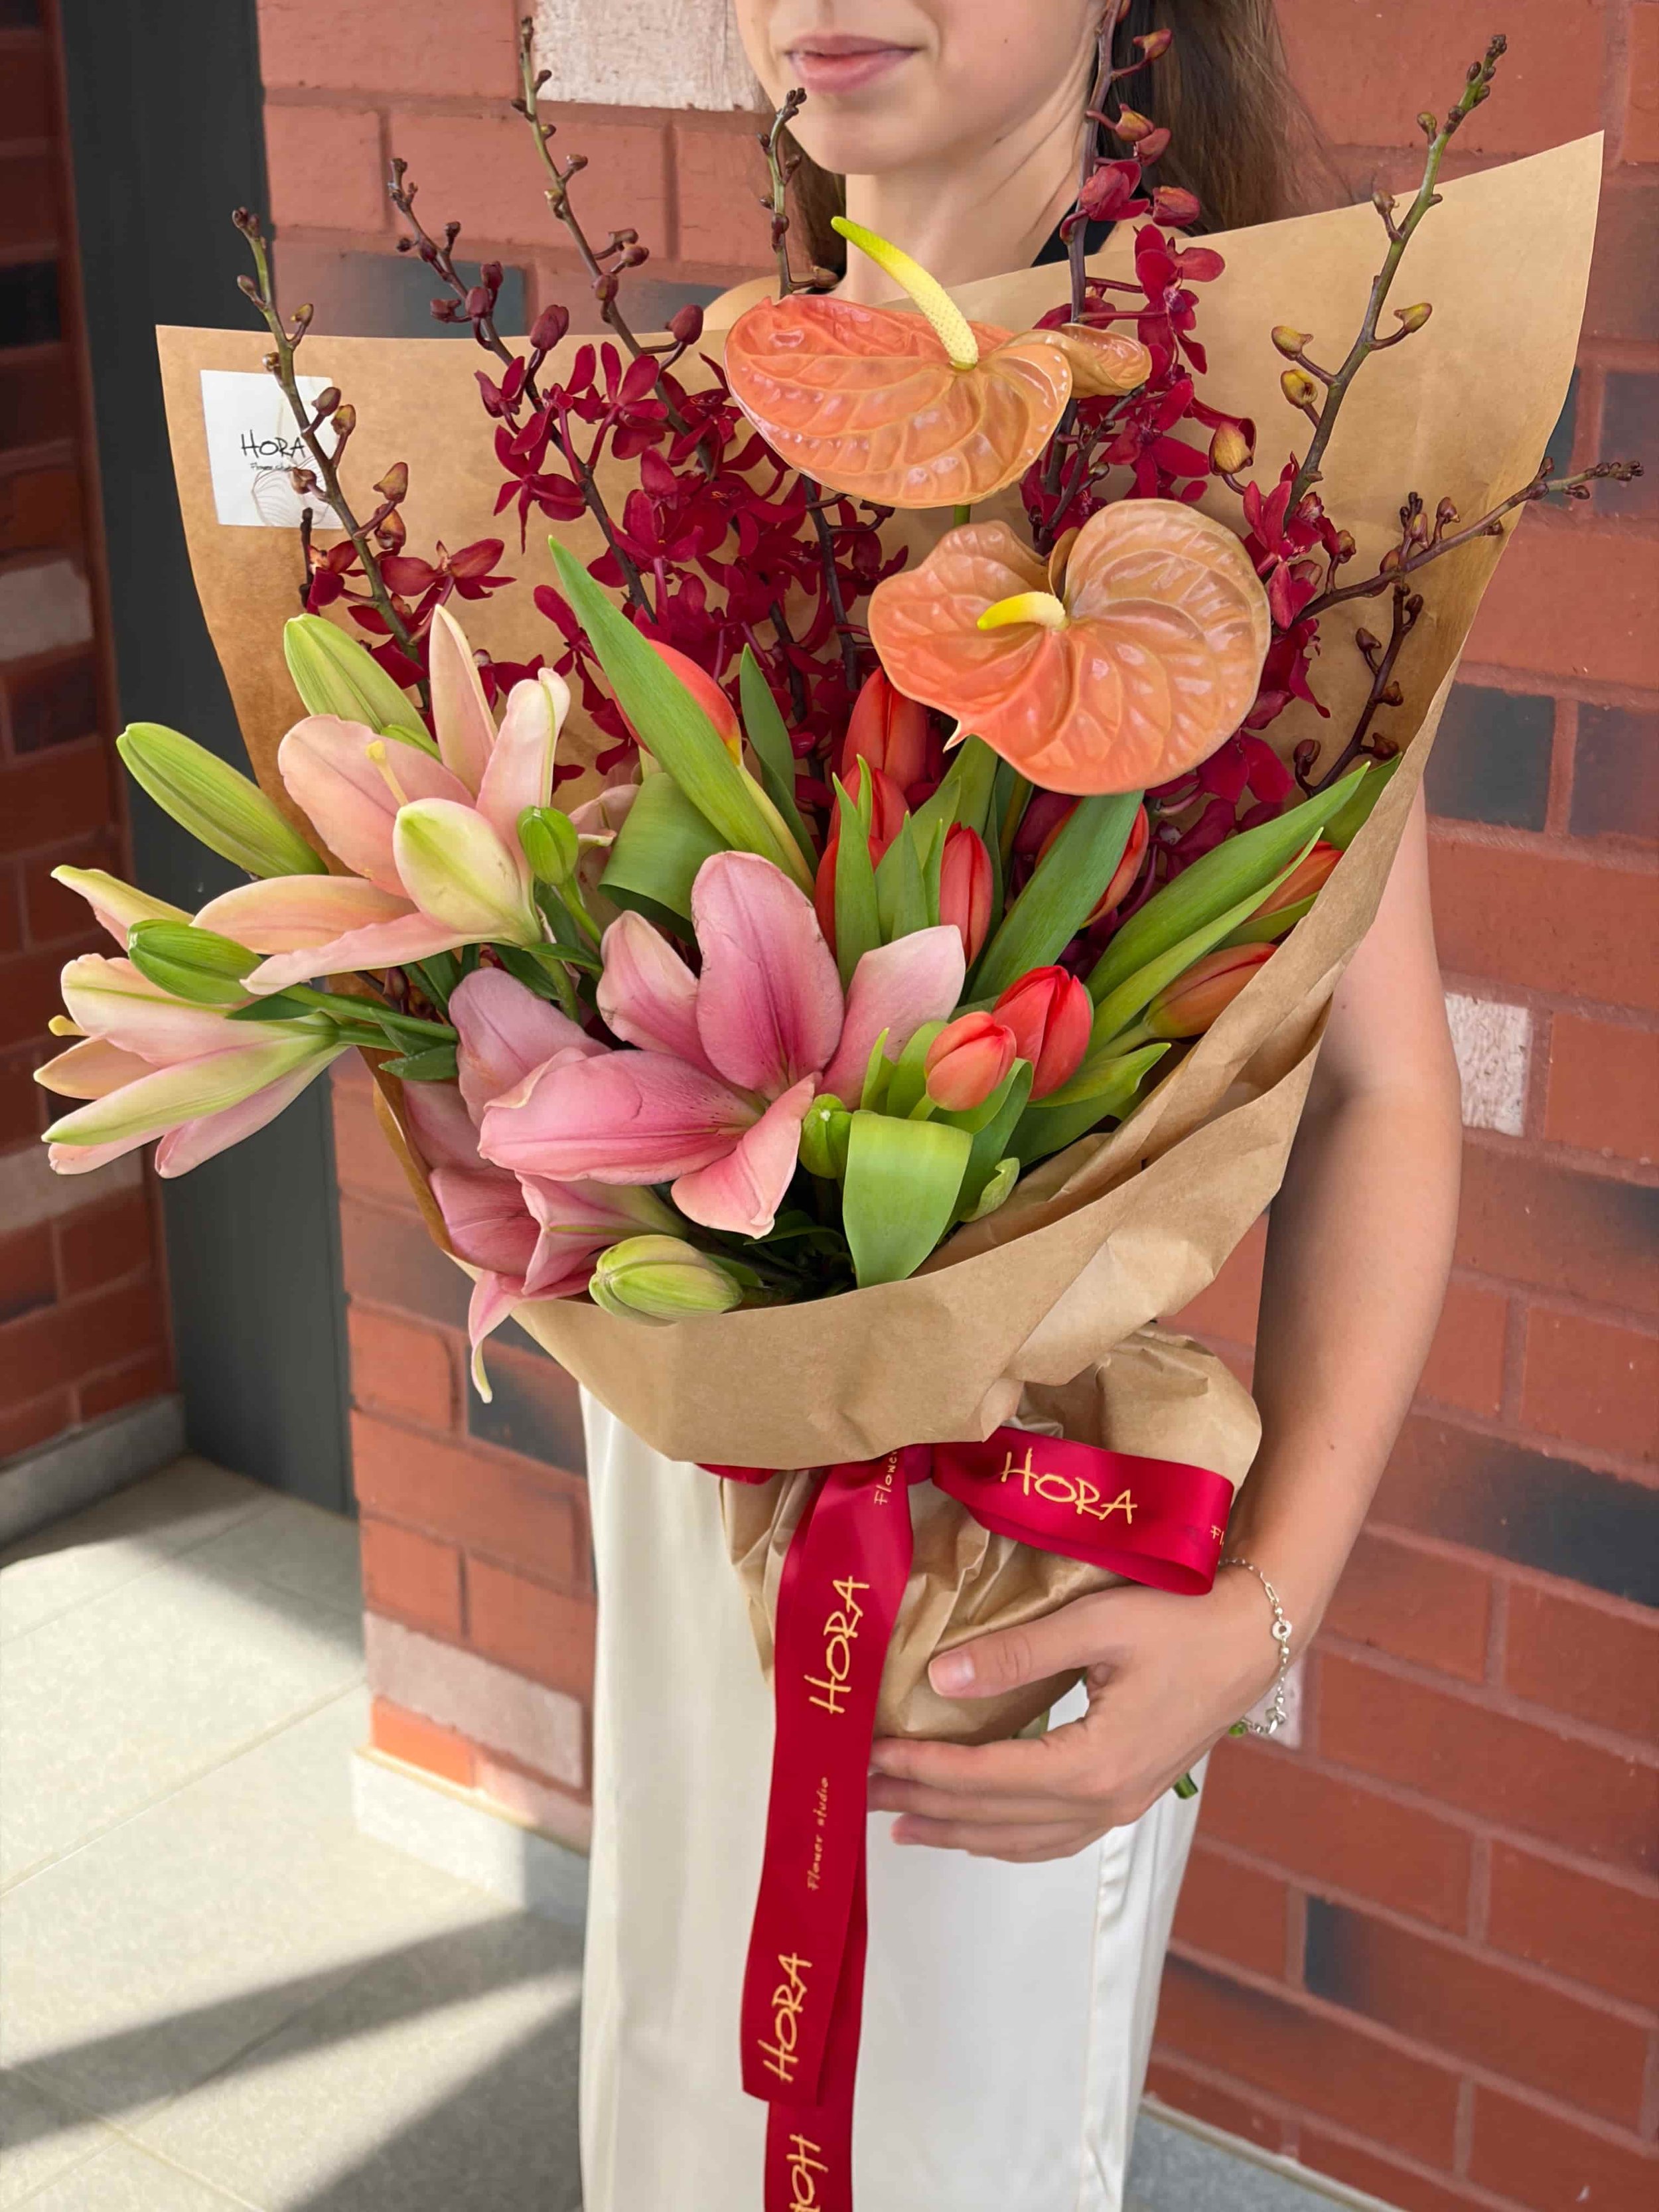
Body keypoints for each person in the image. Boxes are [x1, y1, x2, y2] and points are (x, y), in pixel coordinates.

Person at [577, 5, 1464, 2206]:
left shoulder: (1239, 473)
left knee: (950, 2144)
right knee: (681, 2090)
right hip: (701, 1490)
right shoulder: (683, 427)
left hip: (1014, 1545)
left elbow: (1378, 1083)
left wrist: (1260, 1620)